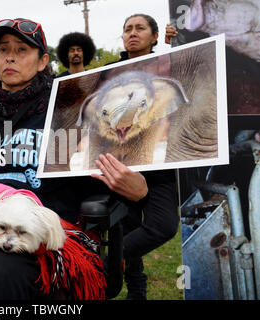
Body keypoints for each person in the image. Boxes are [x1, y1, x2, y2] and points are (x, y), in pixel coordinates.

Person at [0, 17, 176, 301]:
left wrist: (138, 191)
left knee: (2, 271)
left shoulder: (69, 106)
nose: (10, 58)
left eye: (21, 50)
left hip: (39, 226)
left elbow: (104, 173)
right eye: (4, 50)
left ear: (41, 61)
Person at [99, 13, 179, 300]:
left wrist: (177, 41)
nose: (132, 33)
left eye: (140, 28)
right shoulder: (109, 72)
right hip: (123, 162)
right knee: (128, 226)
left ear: (155, 36)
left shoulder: (168, 65)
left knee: (163, 225)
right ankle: (137, 291)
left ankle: (107, 261)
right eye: (127, 29)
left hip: (160, 162)